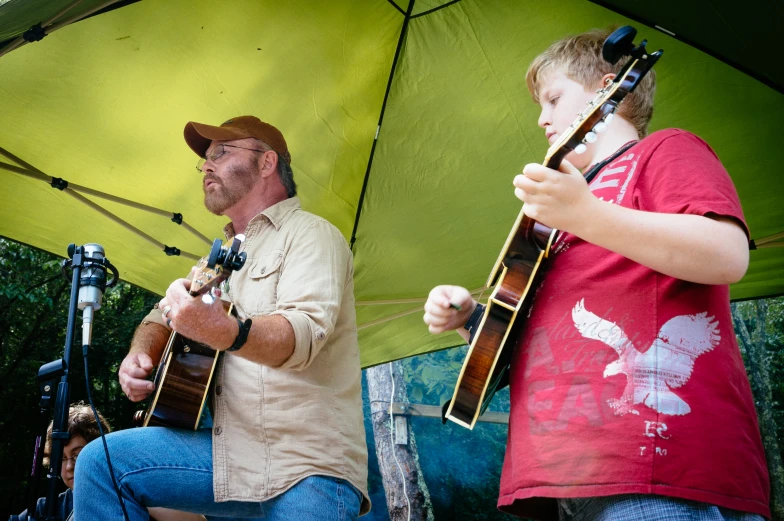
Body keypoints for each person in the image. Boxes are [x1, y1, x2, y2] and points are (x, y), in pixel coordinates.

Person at [423, 29, 769, 521]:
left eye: (553, 98)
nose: (541, 118)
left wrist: (587, 216)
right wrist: (471, 316)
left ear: (608, 87)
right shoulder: (557, 220)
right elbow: (536, 341)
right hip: (568, 470)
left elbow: (726, 254)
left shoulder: (664, 150)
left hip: (654, 462)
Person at [74, 116, 370, 520]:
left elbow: (301, 337)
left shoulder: (312, 235)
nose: (206, 166)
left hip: (305, 466)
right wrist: (139, 355)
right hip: (227, 455)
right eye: (206, 159)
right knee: (100, 464)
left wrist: (224, 330)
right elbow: (159, 317)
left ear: (266, 163)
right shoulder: (216, 258)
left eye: (221, 153)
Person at [11, 403, 110, 521]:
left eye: (77, 455)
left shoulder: (122, 503)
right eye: (62, 458)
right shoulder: (42, 510)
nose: (69, 466)